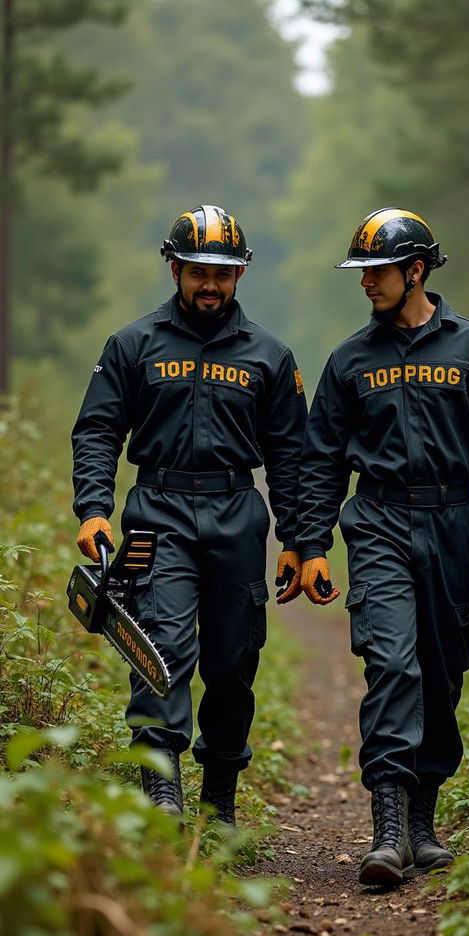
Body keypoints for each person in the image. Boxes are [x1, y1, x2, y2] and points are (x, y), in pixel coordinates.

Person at [296, 207, 469, 886]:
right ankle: (389, 829)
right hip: (376, 521)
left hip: (455, 523)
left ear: (416, 270)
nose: (367, 283)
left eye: (378, 272)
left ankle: (425, 822)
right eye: (362, 272)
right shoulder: (349, 360)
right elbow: (320, 461)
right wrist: (312, 544)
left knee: (440, 669)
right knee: (392, 661)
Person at [72, 204, 307, 823]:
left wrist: (298, 539)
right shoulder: (131, 344)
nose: (210, 284)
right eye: (198, 271)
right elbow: (97, 431)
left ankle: (220, 799)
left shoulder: (271, 356)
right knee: (161, 644)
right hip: (157, 512)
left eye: (223, 274)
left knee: (233, 660)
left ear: (240, 276)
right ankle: (161, 786)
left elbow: (290, 455)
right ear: (174, 268)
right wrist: (94, 508)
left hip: (237, 513)